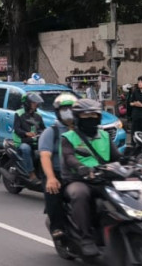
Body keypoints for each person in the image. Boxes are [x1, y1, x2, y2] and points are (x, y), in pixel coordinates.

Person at [59, 98, 123, 256]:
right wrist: (81, 167)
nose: (91, 120)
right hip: (78, 179)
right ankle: (86, 238)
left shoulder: (104, 135)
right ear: (77, 118)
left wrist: (133, 163)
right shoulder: (68, 137)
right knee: (80, 194)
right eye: (86, 117)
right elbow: (69, 158)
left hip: (102, 177)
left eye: (94, 116)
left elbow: (117, 157)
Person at [39, 93, 76, 240]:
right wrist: (51, 178)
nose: (69, 113)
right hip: (56, 172)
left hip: (78, 172)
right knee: (54, 193)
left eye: (72, 109)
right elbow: (45, 156)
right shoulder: (51, 132)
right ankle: (57, 226)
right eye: (65, 110)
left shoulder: (81, 130)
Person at [12, 92, 45, 182]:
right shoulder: (19, 113)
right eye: (33, 102)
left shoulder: (38, 115)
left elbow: (43, 128)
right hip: (22, 141)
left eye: (36, 103)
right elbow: (17, 129)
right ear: (27, 103)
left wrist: (42, 133)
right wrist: (26, 133)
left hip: (35, 141)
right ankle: (31, 173)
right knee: (26, 149)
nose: (36, 105)